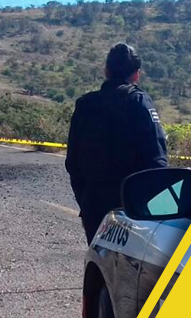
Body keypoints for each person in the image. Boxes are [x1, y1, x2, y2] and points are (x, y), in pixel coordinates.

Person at [66, 43, 168, 244]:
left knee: (99, 266)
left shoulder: (85, 104)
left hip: (94, 207)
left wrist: (86, 201)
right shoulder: (139, 103)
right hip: (132, 211)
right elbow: (157, 162)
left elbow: (72, 163)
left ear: (106, 71)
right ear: (136, 74)